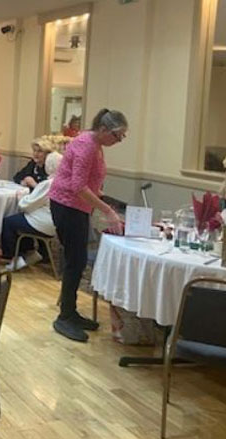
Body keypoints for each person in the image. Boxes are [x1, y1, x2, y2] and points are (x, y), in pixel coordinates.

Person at [49, 108, 128, 343]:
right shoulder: (86, 145)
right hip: (67, 205)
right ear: (103, 129)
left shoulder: (96, 145)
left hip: (76, 206)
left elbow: (90, 184)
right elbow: (78, 187)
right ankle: (64, 316)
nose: (119, 140)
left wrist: (110, 203)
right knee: (75, 261)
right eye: (117, 135)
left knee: (78, 260)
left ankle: (70, 312)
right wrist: (108, 211)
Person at [1, 151, 62, 270]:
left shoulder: (48, 184)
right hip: (56, 224)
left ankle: (12, 257)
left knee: (8, 222)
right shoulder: (62, 182)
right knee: (21, 219)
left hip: (43, 222)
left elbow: (26, 205)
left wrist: (21, 198)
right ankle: (27, 252)